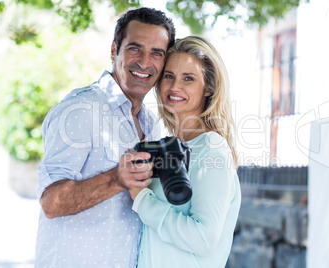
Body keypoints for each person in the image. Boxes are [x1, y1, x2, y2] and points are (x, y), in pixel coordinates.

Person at [34, 7, 175, 267]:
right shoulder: (80, 109)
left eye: (157, 53)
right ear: (114, 50)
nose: (144, 62)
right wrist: (115, 179)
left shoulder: (150, 123)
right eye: (135, 48)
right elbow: (51, 203)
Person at [129, 36, 241, 268]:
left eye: (188, 78)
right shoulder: (169, 145)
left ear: (208, 89)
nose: (174, 87)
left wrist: (142, 199)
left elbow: (203, 239)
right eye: (169, 76)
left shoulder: (211, 150)